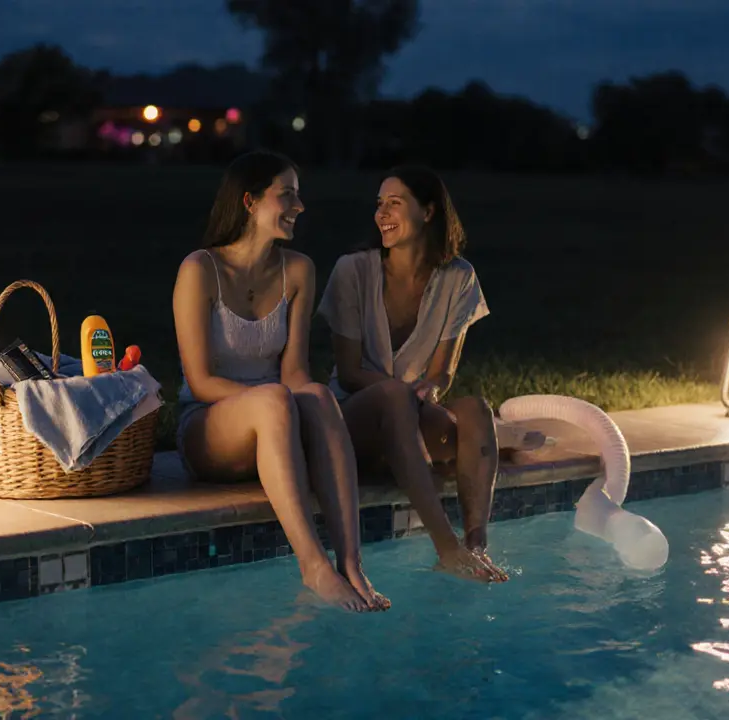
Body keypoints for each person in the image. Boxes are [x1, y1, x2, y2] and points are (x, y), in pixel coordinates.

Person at [172, 150, 389, 612]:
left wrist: (292, 401)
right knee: (277, 398)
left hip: (277, 421)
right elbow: (201, 379)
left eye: (298, 194)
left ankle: (350, 561)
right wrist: (274, 401)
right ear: (249, 202)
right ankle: (312, 565)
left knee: (317, 395)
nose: (299, 205)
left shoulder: (298, 270)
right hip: (209, 427)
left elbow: (294, 372)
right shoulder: (200, 270)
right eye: (286, 194)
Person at [317, 165, 509, 583]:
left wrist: (427, 388)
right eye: (379, 204)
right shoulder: (353, 271)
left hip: (412, 413)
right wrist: (402, 392)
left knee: (477, 410)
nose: (381, 213)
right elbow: (349, 374)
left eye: (395, 203)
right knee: (393, 397)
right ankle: (446, 547)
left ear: (428, 212)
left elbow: (442, 374)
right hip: (355, 419)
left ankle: (477, 546)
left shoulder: (459, 277)